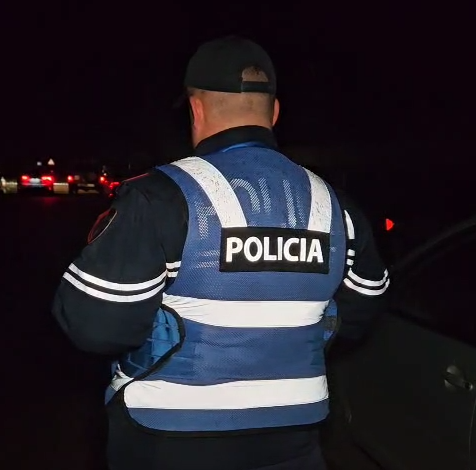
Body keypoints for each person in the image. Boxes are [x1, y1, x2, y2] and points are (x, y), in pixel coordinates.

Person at [52, 35, 389, 470]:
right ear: (274, 112)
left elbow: (95, 326)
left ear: (195, 110)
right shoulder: (337, 206)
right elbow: (362, 309)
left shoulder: (159, 198)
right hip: (294, 436)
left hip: (168, 438)